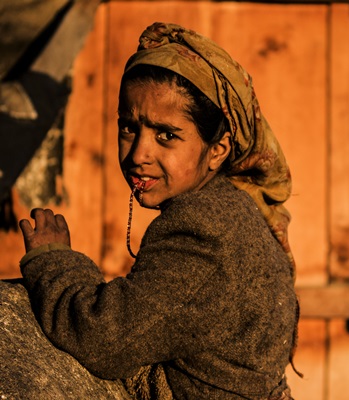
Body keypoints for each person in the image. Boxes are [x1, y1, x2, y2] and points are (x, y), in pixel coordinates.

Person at [17, 22, 298, 400]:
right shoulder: (234, 209)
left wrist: (53, 261)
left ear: (218, 149)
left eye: (166, 134)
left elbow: (105, 340)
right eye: (129, 128)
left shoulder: (204, 227)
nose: (138, 154)